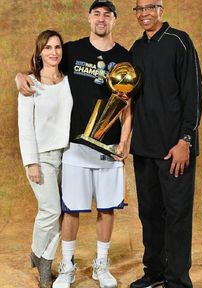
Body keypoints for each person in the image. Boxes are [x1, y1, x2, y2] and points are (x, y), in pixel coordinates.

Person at [16, 1, 132, 288]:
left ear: (115, 20)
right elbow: (43, 67)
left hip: (108, 148)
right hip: (73, 148)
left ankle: (100, 266)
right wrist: (19, 77)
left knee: (106, 208)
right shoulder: (73, 50)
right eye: (96, 13)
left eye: (107, 14)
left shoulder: (124, 56)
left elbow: (129, 103)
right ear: (89, 18)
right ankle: (65, 266)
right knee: (69, 210)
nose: (101, 18)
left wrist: (125, 141)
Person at [129, 1, 202, 288]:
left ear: (161, 9)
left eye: (150, 7)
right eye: (138, 9)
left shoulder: (179, 41)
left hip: (175, 150)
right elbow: (133, 98)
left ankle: (177, 280)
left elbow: (194, 93)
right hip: (144, 148)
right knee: (149, 214)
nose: (144, 13)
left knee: (177, 216)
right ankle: (155, 272)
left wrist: (186, 139)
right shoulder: (136, 49)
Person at [18, 30, 73, 288]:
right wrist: (32, 162)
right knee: (50, 210)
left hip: (68, 154)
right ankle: (40, 257)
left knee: (61, 212)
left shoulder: (67, 80)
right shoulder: (30, 83)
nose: (53, 52)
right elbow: (25, 127)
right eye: (48, 48)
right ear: (39, 52)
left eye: (57, 47)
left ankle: (43, 258)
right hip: (42, 156)